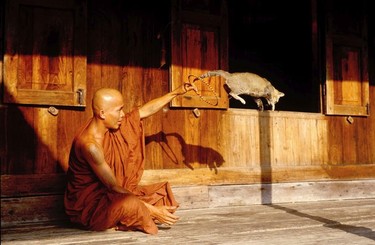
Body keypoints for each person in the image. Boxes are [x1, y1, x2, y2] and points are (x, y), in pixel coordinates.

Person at [64, 83, 197, 235]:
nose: (123, 115)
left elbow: (143, 111)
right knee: (133, 204)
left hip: (109, 194)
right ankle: (124, 218)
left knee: (159, 194)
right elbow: (113, 187)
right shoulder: (90, 146)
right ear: (102, 113)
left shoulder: (110, 128)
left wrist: (176, 92)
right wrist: (152, 211)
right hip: (89, 206)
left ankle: (128, 216)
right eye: (119, 110)